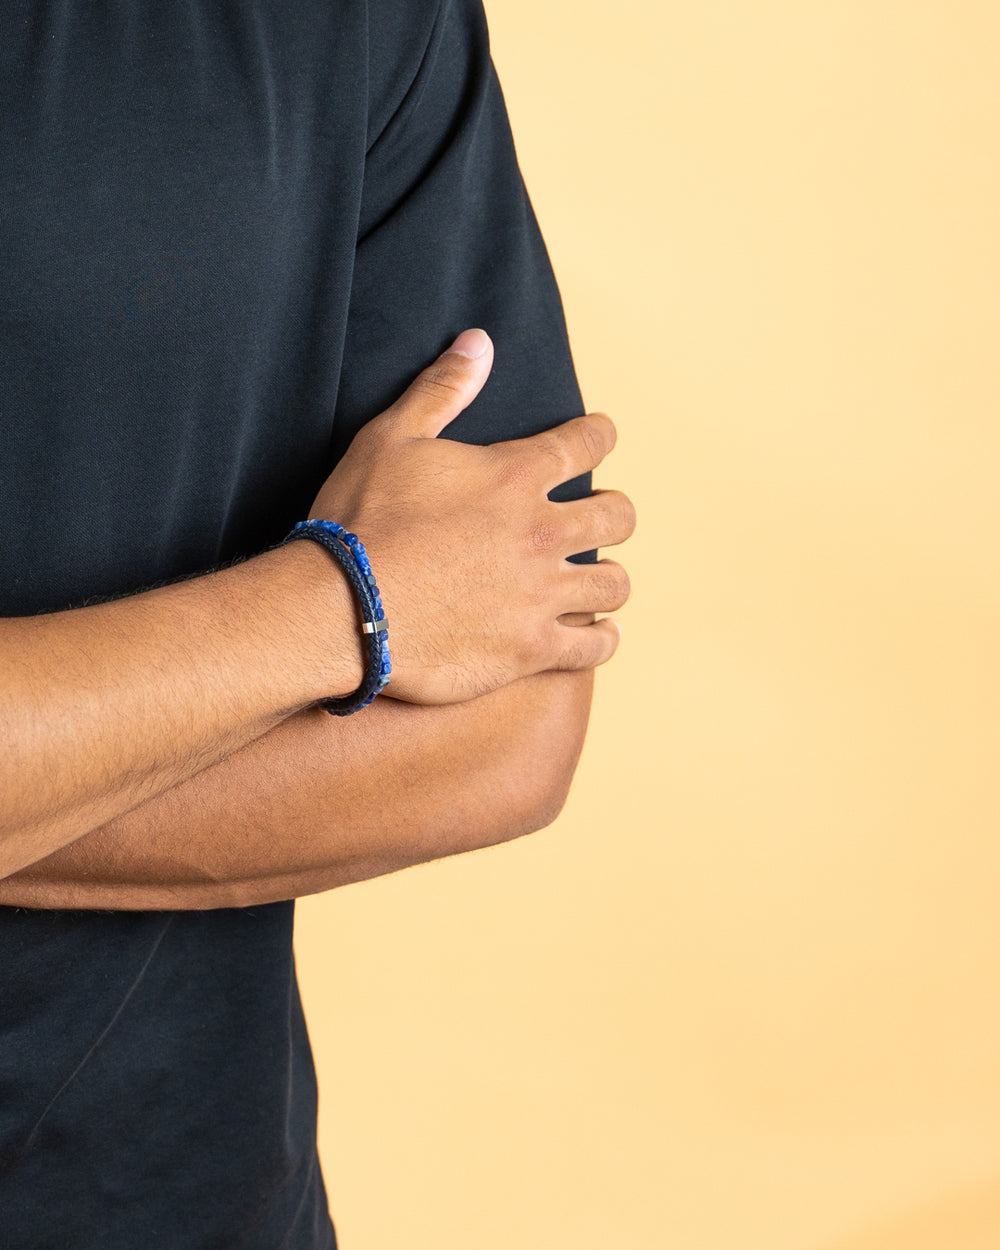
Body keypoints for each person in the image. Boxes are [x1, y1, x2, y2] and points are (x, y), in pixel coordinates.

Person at [0, 0, 634, 1245]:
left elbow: (509, 729)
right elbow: (430, 604)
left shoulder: (358, 22)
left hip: (189, 1203)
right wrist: (343, 597)